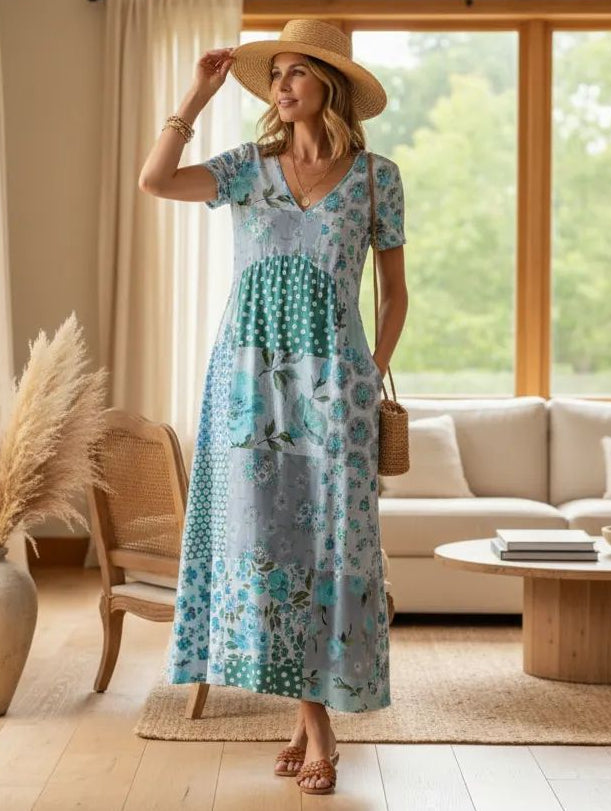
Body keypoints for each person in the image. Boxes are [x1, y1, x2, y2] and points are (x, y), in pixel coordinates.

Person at [138, 18, 408, 796]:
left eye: (297, 73)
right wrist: (196, 95)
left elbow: (394, 294)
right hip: (247, 384)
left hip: (335, 388)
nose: (282, 87)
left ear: (331, 86)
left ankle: (308, 716)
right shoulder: (246, 168)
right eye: (276, 74)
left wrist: (368, 372)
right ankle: (315, 721)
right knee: (265, 543)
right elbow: (155, 180)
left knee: (330, 546)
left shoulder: (376, 177)